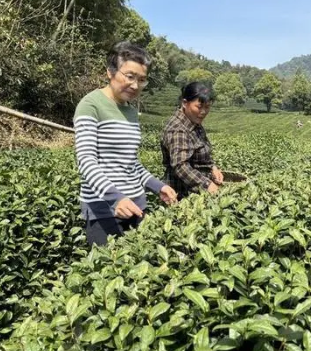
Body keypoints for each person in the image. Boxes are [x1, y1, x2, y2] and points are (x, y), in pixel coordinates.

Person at [74, 41, 177, 246]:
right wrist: (116, 198)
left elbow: (131, 163)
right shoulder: (90, 105)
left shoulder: (131, 112)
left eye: (142, 80)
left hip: (136, 207)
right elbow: (85, 161)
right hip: (103, 211)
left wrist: (158, 186)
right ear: (110, 72)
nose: (135, 85)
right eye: (130, 77)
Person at [161, 82, 223, 200]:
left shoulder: (194, 122)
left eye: (207, 107)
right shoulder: (178, 129)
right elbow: (180, 166)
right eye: (199, 107)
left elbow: (202, 155)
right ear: (185, 103)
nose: (203, 112)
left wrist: (213, 168)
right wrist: (207, 184)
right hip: (182, 195)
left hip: (198, 191)